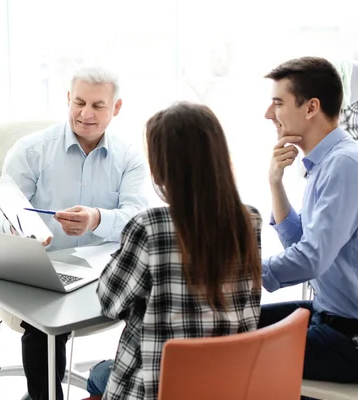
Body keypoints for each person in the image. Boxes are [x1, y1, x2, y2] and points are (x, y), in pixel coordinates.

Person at [0, 66, 150, 400]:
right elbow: (0, 214)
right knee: (41, 330)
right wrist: (16, 229)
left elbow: (138, 219)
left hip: (108, 274)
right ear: (67, 99)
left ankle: (122, 385)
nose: (85, 113)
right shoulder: (30, 150)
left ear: (116, 108)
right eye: (78, 102)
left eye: (97, 105)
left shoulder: (130, 157)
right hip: (46, 270)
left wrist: (97, 219)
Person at [86, 102, 263, 399]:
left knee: (98, 374)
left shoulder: (150, 227)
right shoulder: (250, 221)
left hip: (158, 388)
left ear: (161, 168)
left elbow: (109, 302)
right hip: (226, 385)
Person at [259, 56, 358, 384]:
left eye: (278, 103)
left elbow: (311, 259)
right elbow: (302, 243)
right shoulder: (326, 164)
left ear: (311, 107)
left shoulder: (344, 165)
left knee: (233, 349)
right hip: (327, 317)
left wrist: (242, 271)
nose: (268, 114)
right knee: (231, 322)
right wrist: (275, 182)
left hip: (350, 338)